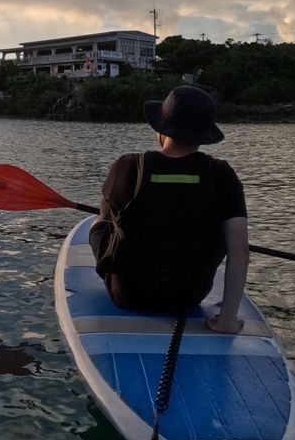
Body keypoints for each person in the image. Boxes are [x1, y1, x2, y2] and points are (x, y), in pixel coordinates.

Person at [88, 85, 249, 334]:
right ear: (203, 134)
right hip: (189, 295)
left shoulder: (128, 166)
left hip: (128, 294)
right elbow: (240, 250)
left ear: (161, 129)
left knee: (100, 220)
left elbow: (110, 216)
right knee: (225, 233)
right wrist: (227, 320)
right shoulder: (222, 175)